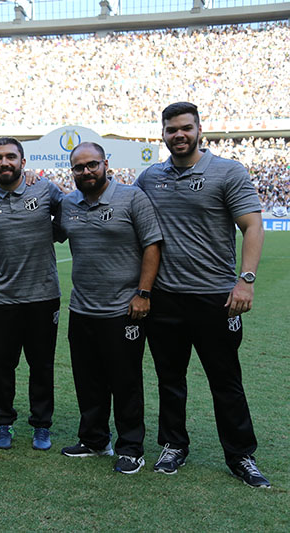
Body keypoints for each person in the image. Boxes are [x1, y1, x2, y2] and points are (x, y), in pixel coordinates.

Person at [136, 102, 270, 488]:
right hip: (166, 299)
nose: (178, 135)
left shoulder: (227, 171)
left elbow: (252, 226)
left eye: (185, 128)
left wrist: (245, 280)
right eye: (171, 129)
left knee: (225, 380)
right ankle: (174, 445)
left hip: (217, 299)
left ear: (199, 130)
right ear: (162, 133)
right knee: (170, 379)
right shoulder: (150, 177)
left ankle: (241, 455)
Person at [56, 142, 162, 474]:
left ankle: (131, 447)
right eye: (78, 167)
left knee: (125, 381)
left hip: (123, 310)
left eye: (92, 165)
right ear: (71, 171)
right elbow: (51, 232)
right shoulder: (68, 203)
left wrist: (143, 293)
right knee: (88, 379)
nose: (86, 171)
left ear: (106, 164)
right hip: (82, 308)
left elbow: (152, 244)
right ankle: (94, 439)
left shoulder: (132, 198)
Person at [0, 137, 63, 450]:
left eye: (10, 156)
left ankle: (41, 425)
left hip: (43, 293)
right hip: (2, 297)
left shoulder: (45, 189)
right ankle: (3, 423)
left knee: (41, 365)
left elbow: (67, 219)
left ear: (23, 162)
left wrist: (50, 235)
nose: (4, 162)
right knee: (2, 365)